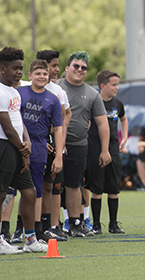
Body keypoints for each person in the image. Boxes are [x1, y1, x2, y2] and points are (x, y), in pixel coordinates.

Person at [57, 51, 111, 237]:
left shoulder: (91, 94)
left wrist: (105, 150)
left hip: (79, 144)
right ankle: (50, 225)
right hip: (54, 144)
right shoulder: (55, 87)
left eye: (83, 68)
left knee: (74, 184)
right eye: (76, 66)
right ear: (67, 68)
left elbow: (102, 122)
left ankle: (75, 224)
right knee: (52, 186)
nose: (80, 70)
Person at [0, 46, 47, 254]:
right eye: (14, 69)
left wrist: (26, 143)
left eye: (20, 68)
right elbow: (7, 127)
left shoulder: (14, 91)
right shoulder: (0, 91)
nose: (18, 72)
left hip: (18, 148)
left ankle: (30, 240)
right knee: (1, 194)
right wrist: (22, 148)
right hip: (4, 146)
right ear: (2, 68)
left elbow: (20, 122)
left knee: (29, 192)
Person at [17, 59, 64, 242]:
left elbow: (58, 128)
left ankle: (34, 231)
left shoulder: (52, 99)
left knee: (34, 191)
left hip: (38, 149)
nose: (41, 77)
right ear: (30, 76)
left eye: (44, 74)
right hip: (15, 146)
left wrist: (58, 155)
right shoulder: (19, 93)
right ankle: (8, 231)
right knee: (8, 192)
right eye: (38, 73)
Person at [86, 70, 128, 235]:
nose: (116, 88)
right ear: (102, 86)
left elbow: (123, 119)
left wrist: (124, 138)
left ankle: (113, 224)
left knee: (114, 189)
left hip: (114, 151)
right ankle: (96, 224)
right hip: (95, 150)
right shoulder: (94, 102)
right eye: (113, 84)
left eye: (118, 84)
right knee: (96, 189)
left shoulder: (118, 103)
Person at [36, 49, 71, 240]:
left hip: (53, 144)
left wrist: (60, 144)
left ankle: (52, 225)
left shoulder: (58, 91)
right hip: (34, 144)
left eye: (57, 65)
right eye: (53, 65)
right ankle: (23, 227)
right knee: (31, 187)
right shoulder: (27, 88)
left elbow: (66, 115)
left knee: (52, 186)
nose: (57, 69)